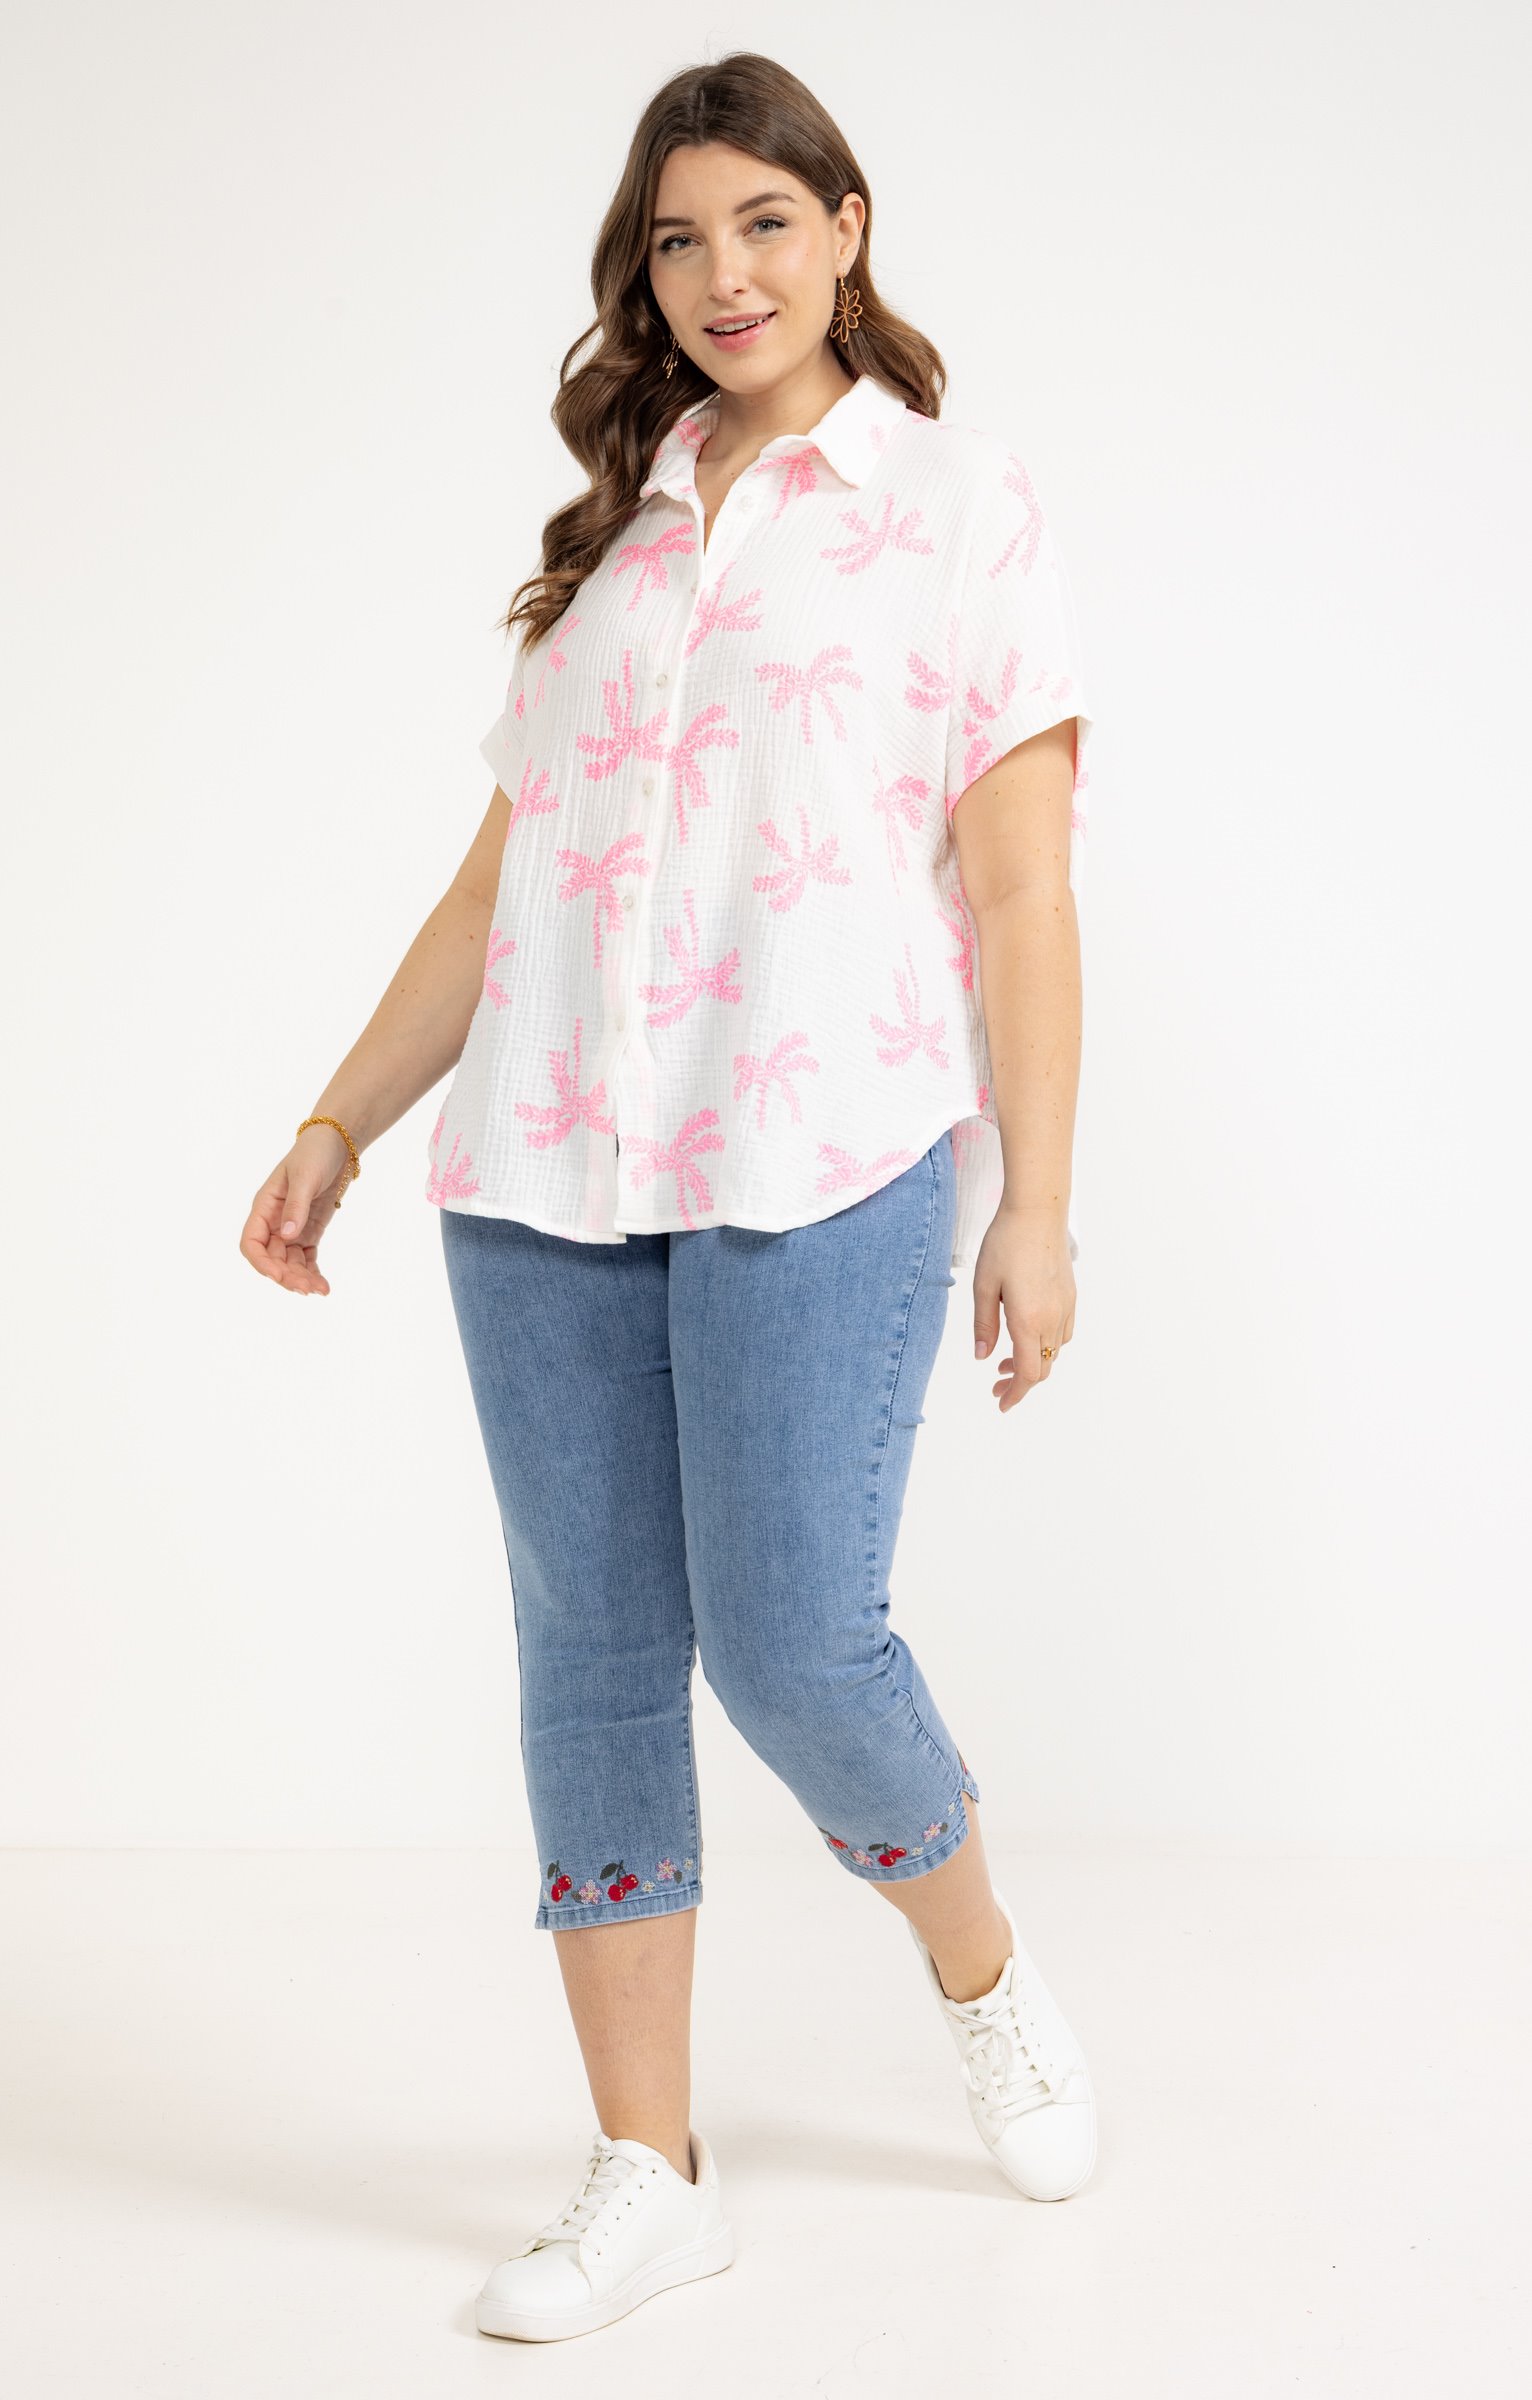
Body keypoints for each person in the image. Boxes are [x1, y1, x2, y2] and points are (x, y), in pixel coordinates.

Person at [241, 50, 1098, 2346]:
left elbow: (1024, 889)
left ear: (845, 227)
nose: (723, 274)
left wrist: (1036, 1199)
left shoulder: (955, 507)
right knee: (595, 1659)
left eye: (763, 222)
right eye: (676, 239)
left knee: (798, 1642)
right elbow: (495, 884)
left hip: (822, 1149)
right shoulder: (614, 543)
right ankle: (649, 2171)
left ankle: (980, 1970)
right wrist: (338, 1120)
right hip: (538, 1165)